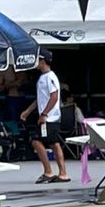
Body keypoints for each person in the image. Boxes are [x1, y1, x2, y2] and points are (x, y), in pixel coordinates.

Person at [29, 50, 69, 183]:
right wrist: (28, 111)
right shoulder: (43, 77)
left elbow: (54, 96)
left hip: (50, 117)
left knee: (42, 142)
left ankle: (52, 171)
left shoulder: (50, 77)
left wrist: (44, 114)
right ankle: (56, 172)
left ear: (42, 61)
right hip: (46, 116)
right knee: (52, 143)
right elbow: (41, 98)